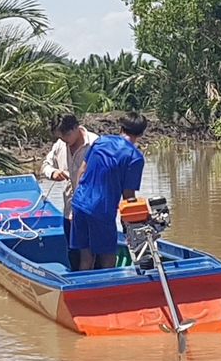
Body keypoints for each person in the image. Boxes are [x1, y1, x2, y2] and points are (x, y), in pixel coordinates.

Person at [68, 112, 148, 271]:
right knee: (108, 257)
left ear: (121, 128)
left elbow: (82, 171)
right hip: (101, 210)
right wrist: (133, 225)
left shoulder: (101, 141)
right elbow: (128, 196)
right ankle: (108, 289)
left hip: (79, 203)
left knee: (86, 257)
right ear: (141, 134)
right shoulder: (134, 157)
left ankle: (85, 292)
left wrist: (74, 203)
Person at [39, 113, 97, 264]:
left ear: (76, 127)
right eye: (61, 136)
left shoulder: (95, 144)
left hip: (91, 211)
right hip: (69, 211)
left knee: (94, 252)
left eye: (67, 135)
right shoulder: (60, 144)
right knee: (73, 254)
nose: (65, 139)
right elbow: (45, 165)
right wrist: (53, 173)